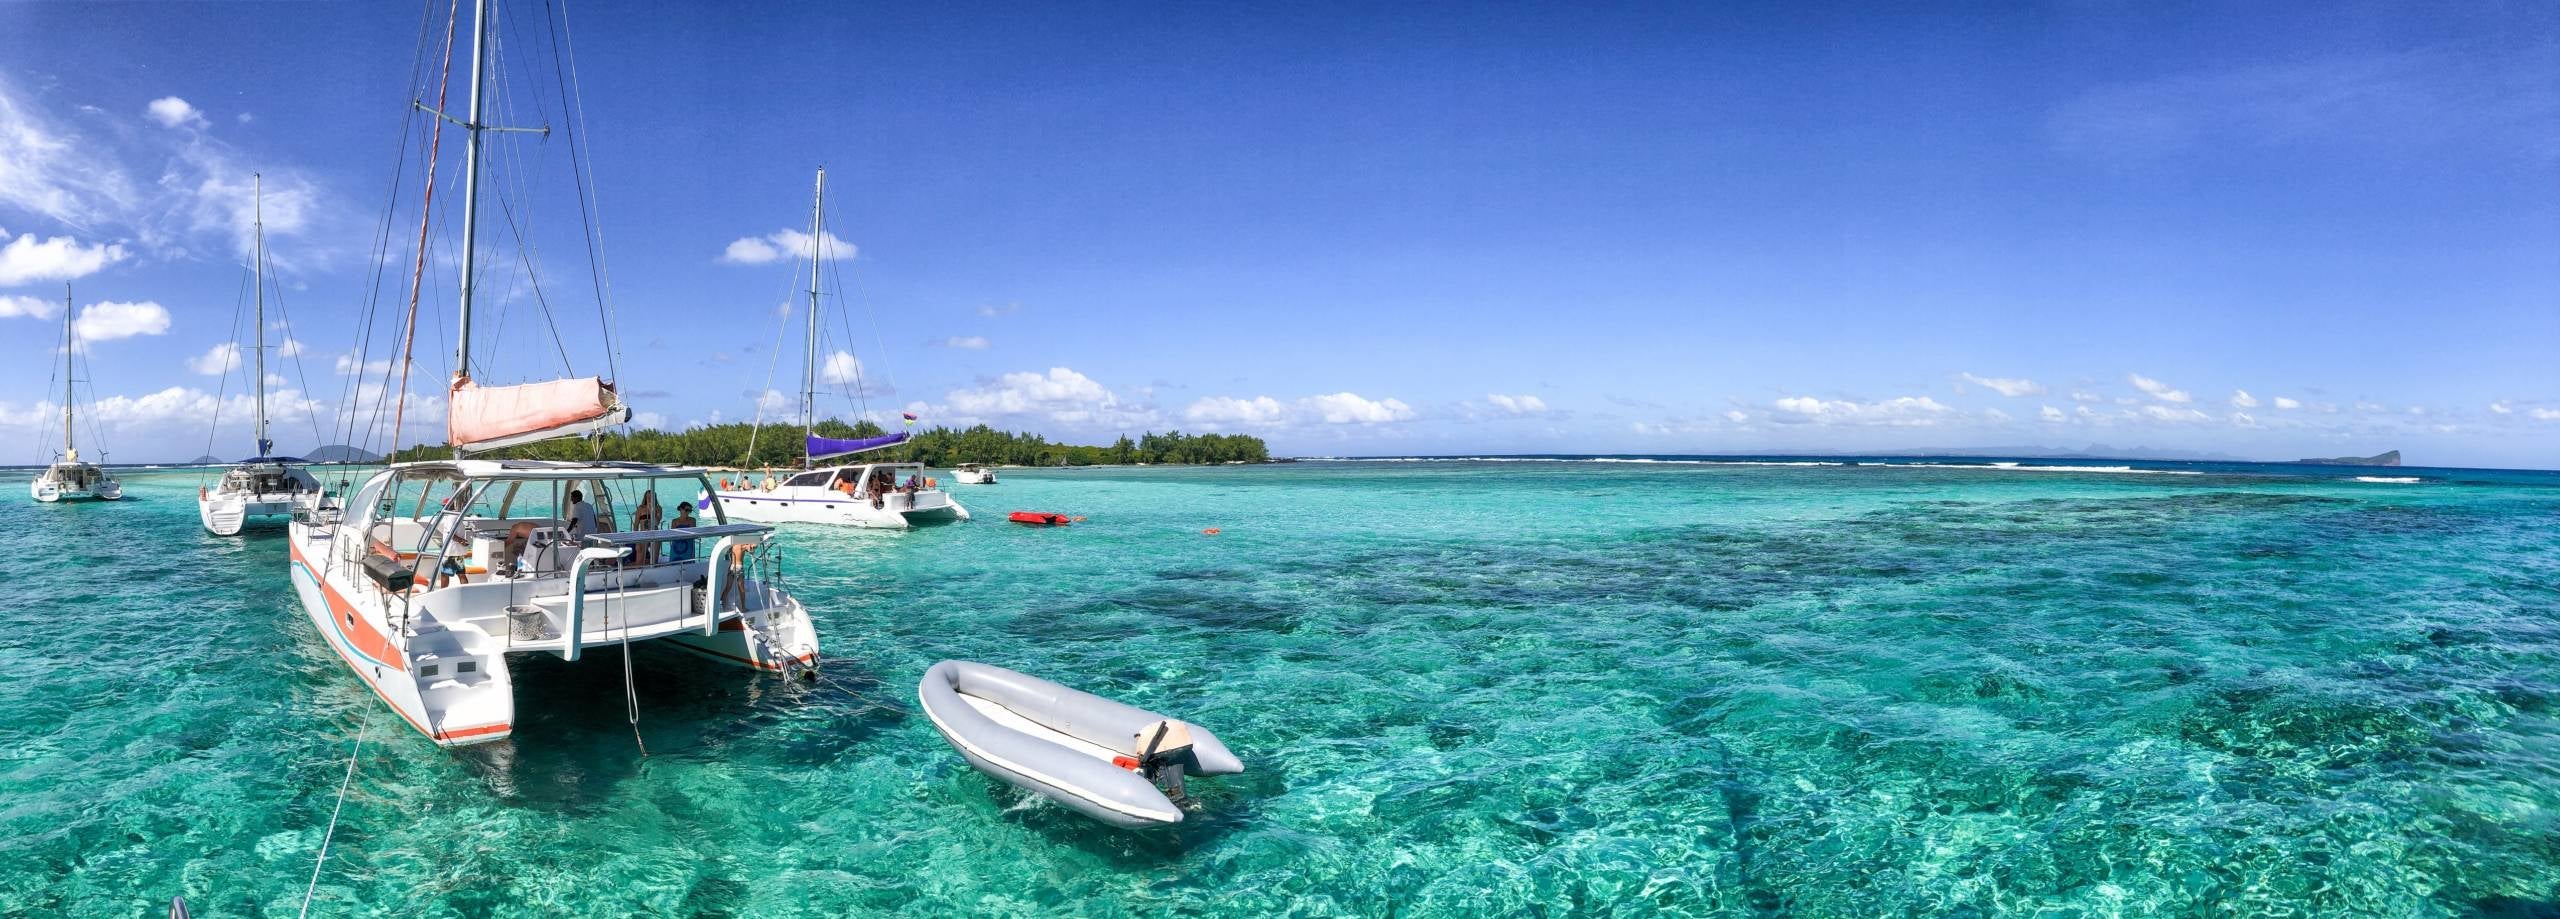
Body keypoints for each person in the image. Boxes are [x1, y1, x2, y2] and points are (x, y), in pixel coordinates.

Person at [629, 491, 664, 564]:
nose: (649, 499)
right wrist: (636, 542)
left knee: (654, 561)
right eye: (648, 497)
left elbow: (657, 523)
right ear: (645, 498)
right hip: (643, 535)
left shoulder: (658, 508)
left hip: (655, 535)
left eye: (651, 497)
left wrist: (652, 511)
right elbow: (635, 525)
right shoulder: (640, 508)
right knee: (639, 561)